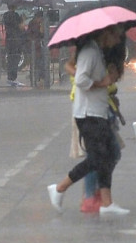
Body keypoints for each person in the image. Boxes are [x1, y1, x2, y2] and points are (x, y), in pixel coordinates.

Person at [47, 24, 130, 216]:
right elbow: (82, 80)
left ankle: (107, 204)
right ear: (106, 33)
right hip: (88, 114)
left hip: (97, 112)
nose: (118, 41)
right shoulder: (90, 52)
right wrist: (103, 83)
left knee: (108, 155)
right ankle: (59, 188)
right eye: (116, 36)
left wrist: (109, 76)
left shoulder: (97, 52)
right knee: (97, 158)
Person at [2, 3, 25, 87]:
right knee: (15, 59)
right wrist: (22, 20)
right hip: (16, 40)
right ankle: (13, 78)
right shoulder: (16, 16)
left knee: (10, 59)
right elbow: (21, 27)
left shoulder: (5, 16)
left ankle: (10, 78)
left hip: (9, 40)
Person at [27, 10, 45, 86]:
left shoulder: (31, 23)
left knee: (35, 63)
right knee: (39, 63)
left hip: (34, 46)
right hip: (36, 47)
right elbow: (40, 34)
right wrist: (41, 27)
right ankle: (38, 78)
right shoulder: (35, 25)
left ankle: (35, 78)